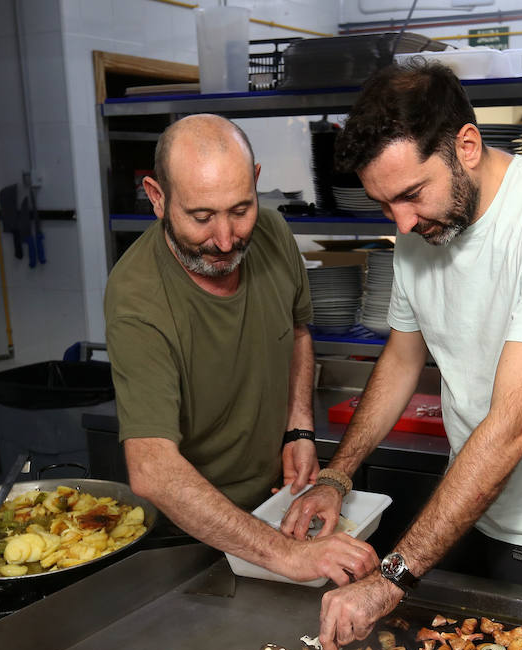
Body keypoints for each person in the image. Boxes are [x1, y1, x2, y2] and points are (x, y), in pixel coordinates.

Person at [282, 62, 522, 650]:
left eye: (410, 195)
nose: (400, 223)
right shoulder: (420, 229)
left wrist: (392, 578)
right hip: (472, 497)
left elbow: (513, 426)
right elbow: (403, 358)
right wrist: (336, 475)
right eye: (383, 205)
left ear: (468, 146)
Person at [104, 114, 377, 586]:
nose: (226, 240)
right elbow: (152, 470)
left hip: (276, 504)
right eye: (201, 217)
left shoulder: (272, 233)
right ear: (157, 198)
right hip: (189, 533)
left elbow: (296, 331)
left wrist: (298, 430)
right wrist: (288, 556)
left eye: (240, 209)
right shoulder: (137, 298)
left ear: (254, 182)